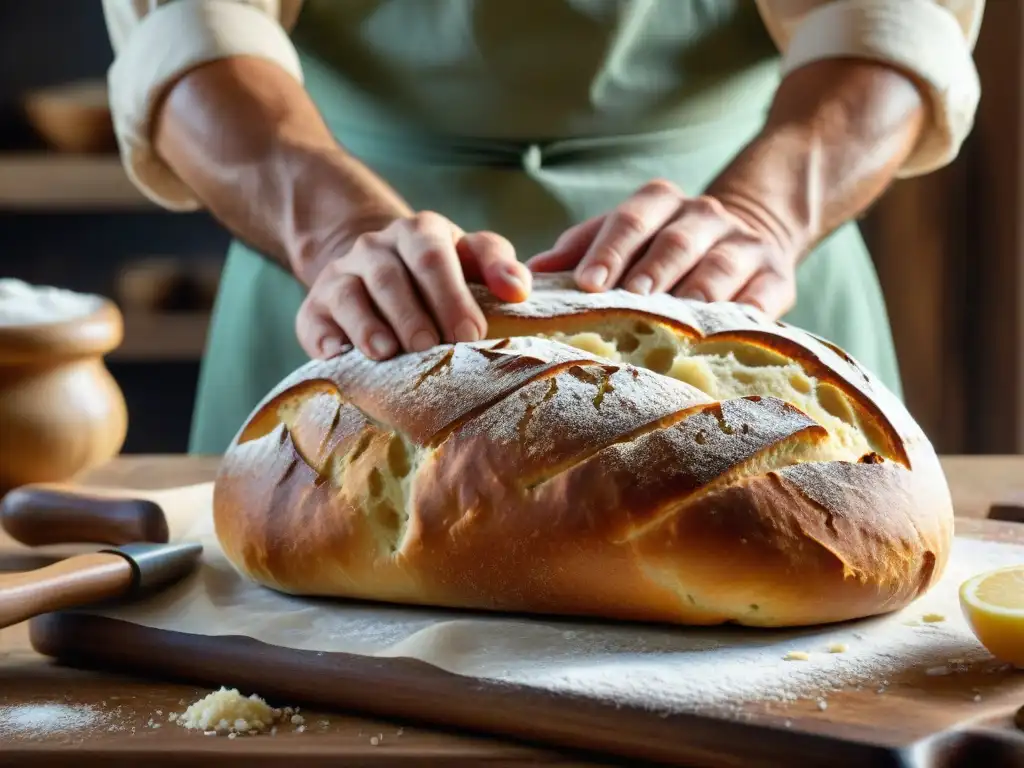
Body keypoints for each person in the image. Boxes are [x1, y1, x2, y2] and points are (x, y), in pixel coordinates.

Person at [101, 0, 983, 455]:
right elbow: (189, 34)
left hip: (741, 274)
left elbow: (894, 23)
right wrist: (338, 234)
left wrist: (763, 213)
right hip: (347, 282)